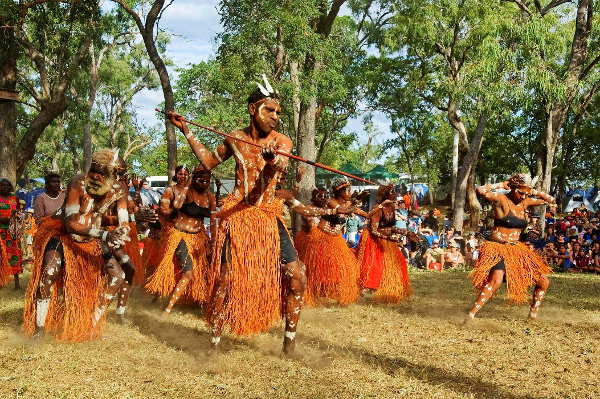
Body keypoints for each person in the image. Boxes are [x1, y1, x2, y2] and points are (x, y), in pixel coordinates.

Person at [168, 77, 305, 355]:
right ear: (253, 109)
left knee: (296, 276)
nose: (276, 118)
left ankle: (289, 344)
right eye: (271, 111)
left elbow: (279, 166)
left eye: (279, 113)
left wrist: (270, 159)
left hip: (267, 217)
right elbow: (208, 162)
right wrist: (186, 131)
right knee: (225, 280)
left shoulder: (282, 142)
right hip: (238, 218)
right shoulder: (235, 138)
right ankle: (215, 344)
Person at [22, 149, 131, 341]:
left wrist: (123, 230)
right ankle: (39, 329)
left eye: (102, 172)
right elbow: (71, 223)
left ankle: (92, 325)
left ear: (114, 176)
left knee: (118, 277)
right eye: (93, 170)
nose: (95, 176)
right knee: (48, 273)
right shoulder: (78, 182)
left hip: (93, 239)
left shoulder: (119, 189)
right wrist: (106, 234)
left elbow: (123, 219)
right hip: (64, 236)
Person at [467, 174, 555, 320]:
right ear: (512, 187)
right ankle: (471, 315)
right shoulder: (501, 199)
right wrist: (500, 185)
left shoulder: (525, 202)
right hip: (497, 248)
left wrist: (533, 191)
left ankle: (533, 313)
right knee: (495, 281)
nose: (522, 196)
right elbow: (479, 190)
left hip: (516, 250)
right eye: (520, 192)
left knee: (543, 282)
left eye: (525, 193)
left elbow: (551, 199)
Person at [145, 165, 216, 314]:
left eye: (207, 181)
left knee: (200, 270)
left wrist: (214, 239)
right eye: (201, 180)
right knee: (179, 270)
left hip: (199, 238)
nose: (204, 183)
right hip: (179, 236)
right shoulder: (177, 191)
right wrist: (169, 217)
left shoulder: (210, 196)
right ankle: (166, 309)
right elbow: (167, 208)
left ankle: (195, 300)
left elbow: (214, 219)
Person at [297, 177, 365, 306]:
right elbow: (344, 210)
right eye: (347, 190)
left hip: (336, 239)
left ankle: (332, 291)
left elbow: (360, 212)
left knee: (342, 266)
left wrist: (369, 213)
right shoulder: (331, 202)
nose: (349, 193)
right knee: (319, 267)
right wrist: (356, 202)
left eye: (350, 191)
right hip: (322, 238)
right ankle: (314, 291)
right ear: (339, 191)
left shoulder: (347, 203)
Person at [358, 184, 410, 303]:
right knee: (375, 264)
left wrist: (404, 232)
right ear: (387, 195)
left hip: (387, 238)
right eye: (393, 192)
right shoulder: (378, 208)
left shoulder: (391, 207)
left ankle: (391, 285)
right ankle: (366, 287)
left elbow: (390, 227)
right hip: (374, 240)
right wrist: (389, 238)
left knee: (399, 261)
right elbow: (374, 230)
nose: (396, 194)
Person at [0, 178, 22, 289]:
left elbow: (19, 214)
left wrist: (15, 216)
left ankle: (17, 283)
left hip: (12, 232)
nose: (4, 187)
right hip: (0, 231)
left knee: (14, 255)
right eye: (2, 185)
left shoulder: (15, 199)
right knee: (1, 256)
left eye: (7, 185)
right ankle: (2, 281)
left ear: (10, 187)